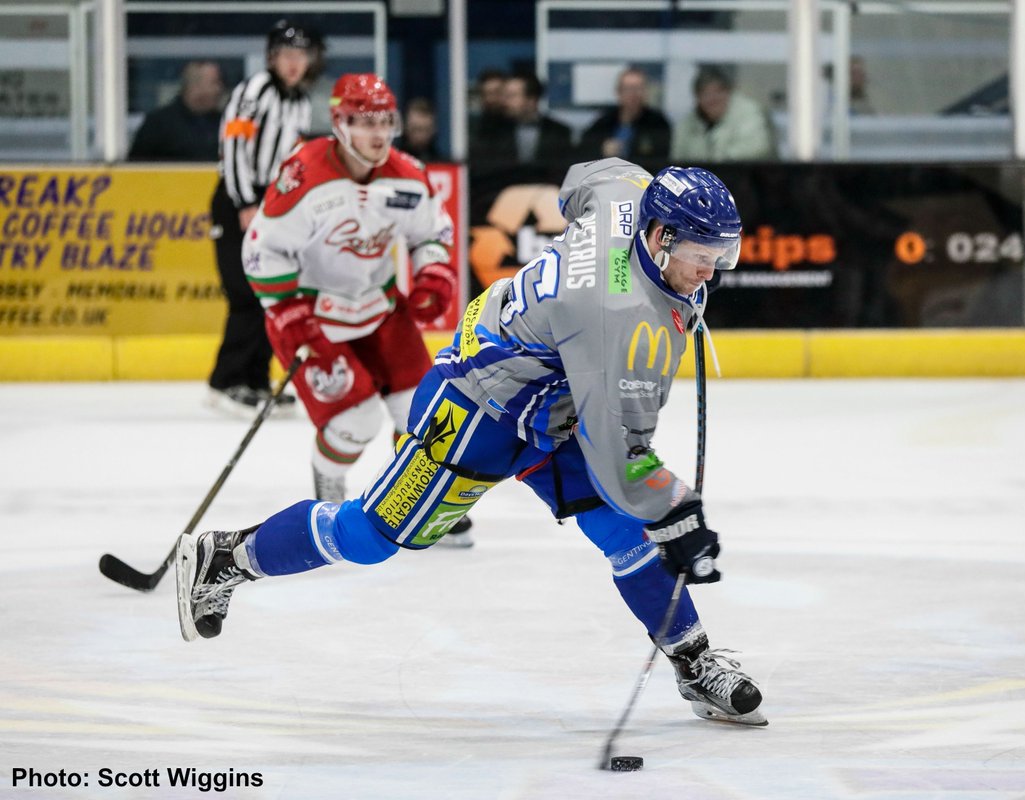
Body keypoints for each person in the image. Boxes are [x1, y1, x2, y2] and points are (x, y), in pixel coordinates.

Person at [175, 156, 767, 727]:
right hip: (480, 403)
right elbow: (619, 454)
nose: (711, 272)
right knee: (371, 535)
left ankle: (693, 663)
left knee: (625, 532)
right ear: (659, 236)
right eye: (701, 256)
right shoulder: (619, 319)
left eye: (724, 255)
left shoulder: (626, 194)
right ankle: (229, 556)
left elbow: (581, 180)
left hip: (553, 398)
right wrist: (676, 510)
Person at [239, 73, 472, 552]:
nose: (378, 134)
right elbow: (261, 250)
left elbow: (434, 232)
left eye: (386, 121)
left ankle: (410, 505)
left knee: (424, 411)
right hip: (309, 317)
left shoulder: (407, 174)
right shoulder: (303, 174)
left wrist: (432, 275)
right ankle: (327, 489)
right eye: (365, 122)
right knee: (358, 422)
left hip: (378, 308)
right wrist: (288, 313)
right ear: (339, 123)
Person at [205, 19, 322, 418]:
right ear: (272, 58)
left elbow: (293, 160)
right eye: (286, 55)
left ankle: (255, 380)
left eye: (300, 55)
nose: (294, 63)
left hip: (270, 206)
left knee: (269, 290)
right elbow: (234, 145)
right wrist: (243, 201)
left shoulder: (301, 101)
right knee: (244, 292)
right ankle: (226, 381)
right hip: (239, 201)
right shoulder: (255, 90)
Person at [128, 60, 225, 162]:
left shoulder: (224, 123)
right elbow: (135, 167)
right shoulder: (158, 125)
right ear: (195, 86)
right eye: (215, 83)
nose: (219, 89)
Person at [672, 67, 775, 162]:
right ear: (697, 98)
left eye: (718, 91)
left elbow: (758, 148)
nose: (713, 99)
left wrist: (718, 159)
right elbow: (677, 159)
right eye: (706, 94)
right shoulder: (687, 124)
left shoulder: (749, 113)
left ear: (729, 92)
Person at [578, 67, 671, 161]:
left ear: (646, 92)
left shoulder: (658, 123)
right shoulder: (605, 121)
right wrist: (601, 149)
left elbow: (660, 157)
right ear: (618, 92)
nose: (634, 94)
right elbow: (584, 147)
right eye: (629, 89)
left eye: (638, 88)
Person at [503, 72, 574, 164]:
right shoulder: (497, 130)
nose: (505, 101)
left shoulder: (559, 131)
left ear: (531, 99)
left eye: (511, 96)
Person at [467, 68, 514, 164]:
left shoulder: (518, 125)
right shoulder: (473, 130)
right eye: (485, 94)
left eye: (497, 92)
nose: (490, 99)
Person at [396, 97, 441, 162]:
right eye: (416, 129)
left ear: (433, 130)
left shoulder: (442, 164)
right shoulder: (394, 161)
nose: (420, 136)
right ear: (406, 127)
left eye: (426, 130)